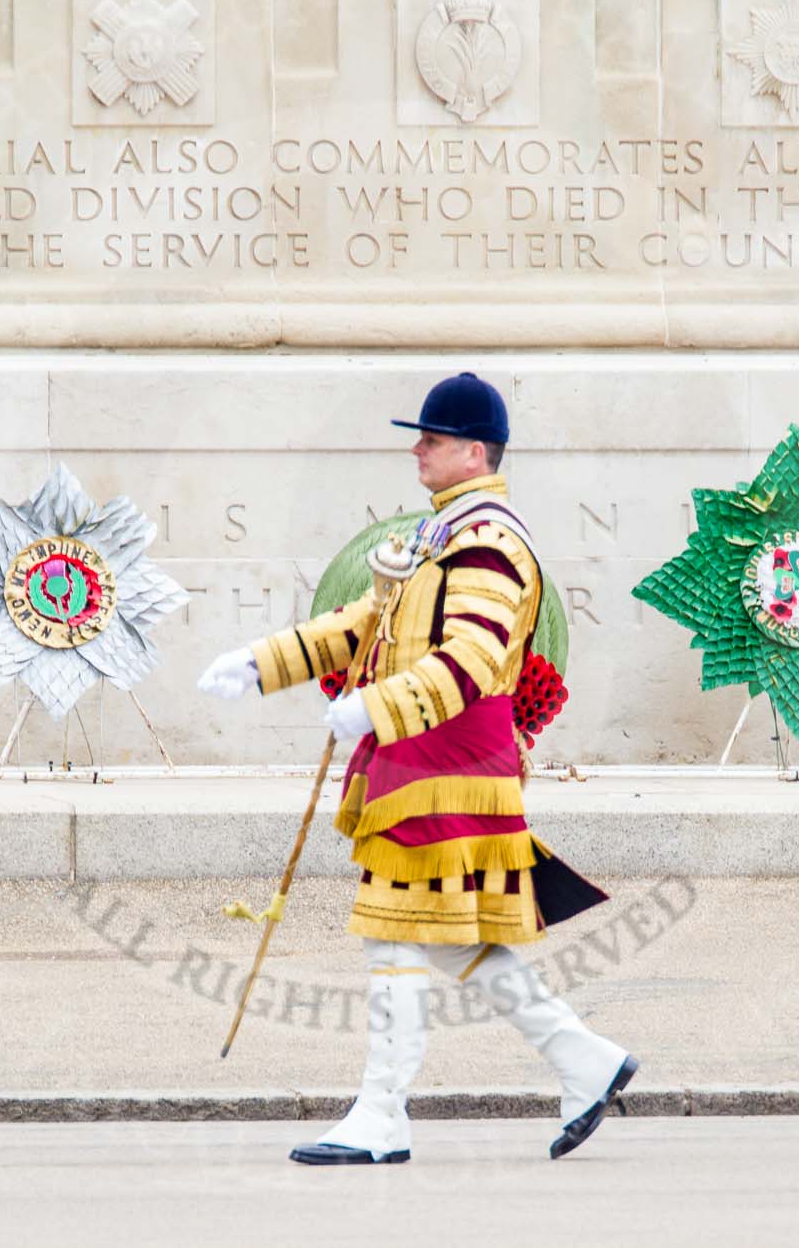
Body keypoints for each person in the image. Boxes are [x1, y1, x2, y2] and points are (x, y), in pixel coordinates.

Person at [197, 372, 637, 1165]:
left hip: (449, 766)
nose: (417, 449)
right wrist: (263, 663)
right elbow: (368, 620)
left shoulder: (490, 546)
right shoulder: (446, 533)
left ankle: (382, 1113)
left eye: (430, 439)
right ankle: (584, 1060)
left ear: (474, 452)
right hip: (428, 764)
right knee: (439, 939)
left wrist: (376, 707)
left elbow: (471, 660)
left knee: (393, 931)